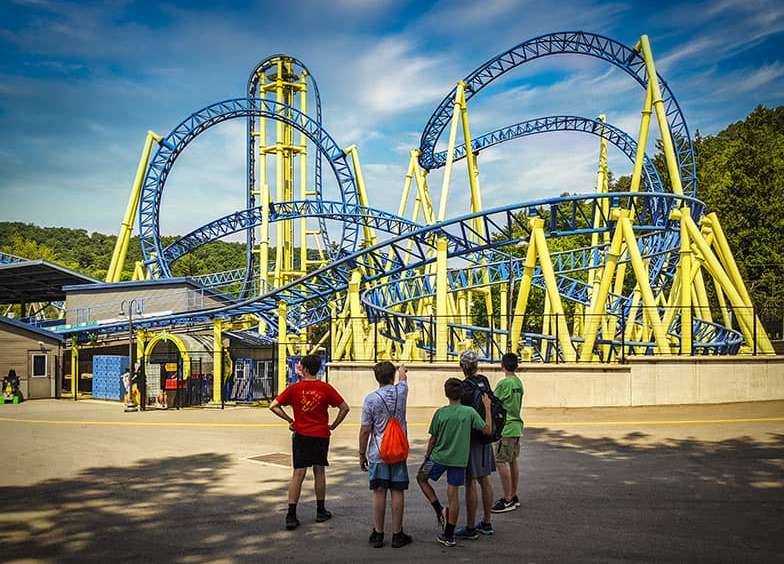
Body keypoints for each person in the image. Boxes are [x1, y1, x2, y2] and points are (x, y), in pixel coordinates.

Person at [269, 354, 350, 531]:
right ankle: (320, 510)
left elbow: (273, 405)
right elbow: (345, 408)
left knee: (298, 473)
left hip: (301, 434)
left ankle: (291, 514)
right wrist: (333, 425)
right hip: (320, 434)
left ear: (304, 369)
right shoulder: (326, 388)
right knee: (319, 471)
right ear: (318, 368)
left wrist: (290, 420)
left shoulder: (295, 388)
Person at [417, 377, 492, 548]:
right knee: (454, 496)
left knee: (421, 478)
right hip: (459, 460)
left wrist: (427, 457)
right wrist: (487, 408)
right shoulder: (469, 412)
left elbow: (432, 439)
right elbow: (487, 430)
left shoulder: (440, 413)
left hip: (438, 457)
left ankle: (438, 509)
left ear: (446, 394)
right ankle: (449, 534)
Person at [359, 361, 412, 549]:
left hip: (378, 452)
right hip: (398, 450)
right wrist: (402, 369)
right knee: (397, 490)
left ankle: (378, 533)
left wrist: (361, 453)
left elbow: (365, 430)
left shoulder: (371, 399)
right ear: (392, 377)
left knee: (379, 491)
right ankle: (397, 534)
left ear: (376, 378)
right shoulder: (402, 392)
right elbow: (404, 379)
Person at [455, 349, 496, 540]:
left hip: (470, 438)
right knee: (485, 480)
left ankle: (470, 527)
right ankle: (486, 522)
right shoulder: (484, 382)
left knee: (470, 482)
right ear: (477, 365)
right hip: (486, 435)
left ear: (462, 366)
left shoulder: (463, 387)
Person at [491, 352, 524, 513]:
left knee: (500, 461)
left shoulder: (504, 384)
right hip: (517, 425)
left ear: (502, 365)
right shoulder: (518, 382)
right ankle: (513, 494)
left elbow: (493, 401)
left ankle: (507, 498)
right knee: (512, 460)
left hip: (506, 426)